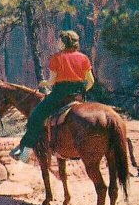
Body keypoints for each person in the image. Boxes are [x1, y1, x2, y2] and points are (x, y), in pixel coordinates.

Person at [9, 30, 95, 162]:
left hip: (59, 95)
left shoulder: (56, 58)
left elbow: (52, 82)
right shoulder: (84, 58)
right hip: (78, 96)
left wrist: (44, 83)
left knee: (36, 116)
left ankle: (24, 152)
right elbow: (91, 81)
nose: (57, 42)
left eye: (59, 40)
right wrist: (81, 91)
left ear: (65, 42)